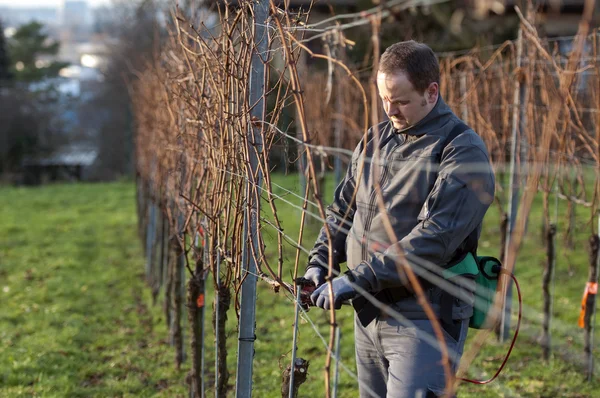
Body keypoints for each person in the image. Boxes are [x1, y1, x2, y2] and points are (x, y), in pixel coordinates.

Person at [303, 41, 495, 397]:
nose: (391, 110)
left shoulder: (461, 150)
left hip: (424, 319)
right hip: (370, 313)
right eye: (384, 99)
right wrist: (322, 260)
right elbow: (344, 209)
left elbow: (433, 238)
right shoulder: (375, 140)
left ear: (431, 92)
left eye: (402, 100)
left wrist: (356, 281)